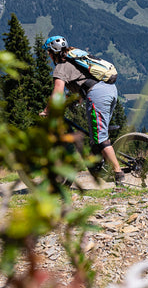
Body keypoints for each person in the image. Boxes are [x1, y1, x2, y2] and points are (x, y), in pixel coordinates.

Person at [39, 35, 125, 186]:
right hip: (110, 90)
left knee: (100, 137)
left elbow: (57, 92)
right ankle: (101, 165)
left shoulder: (61, 67)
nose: (48, 56)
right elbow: (81, 84)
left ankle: (118, 174)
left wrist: (47, 111)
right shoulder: (74, 61)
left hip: (98, 94)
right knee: (97, 135)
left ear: (53, 52)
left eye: (48, 52)